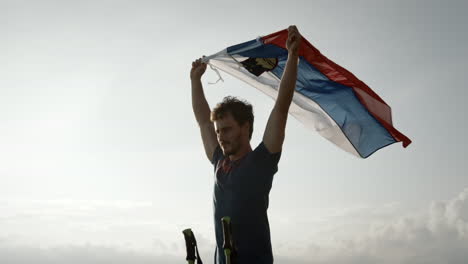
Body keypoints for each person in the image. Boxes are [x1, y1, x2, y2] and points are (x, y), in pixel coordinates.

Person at [190, 25, 302, 264]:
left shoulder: (262, 161)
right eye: (219, 131)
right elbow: (202, 121)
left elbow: (281, 106)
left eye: (227, 129)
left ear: (246, 127)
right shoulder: (218, 161)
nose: (220, 136)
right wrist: (195, 81)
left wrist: (292, 56)